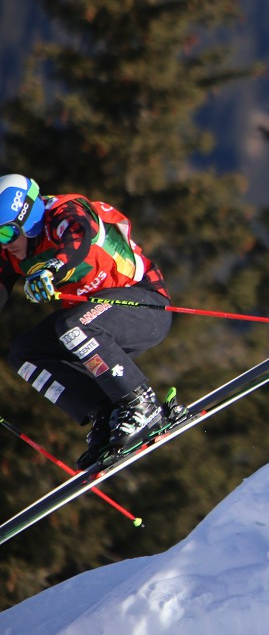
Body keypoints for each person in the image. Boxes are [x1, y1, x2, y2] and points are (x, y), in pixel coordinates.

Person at [0, 173, 178, 469]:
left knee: (71, 326)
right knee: (24, 353)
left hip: (146, 306)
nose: (4, 245)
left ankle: (140, 402)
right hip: (97, 327)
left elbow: (78, 240)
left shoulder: (65, 213)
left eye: (6, 234)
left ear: (28, 219)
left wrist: (51, 269)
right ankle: (106, 412)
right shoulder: (12, 254)